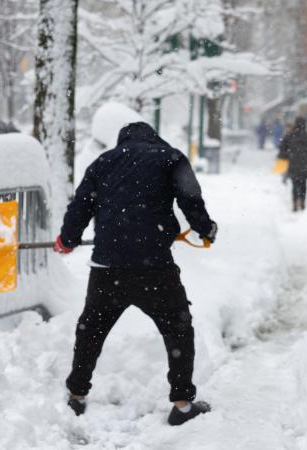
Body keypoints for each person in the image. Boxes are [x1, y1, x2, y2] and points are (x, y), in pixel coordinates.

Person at [53, 121, 217, 426]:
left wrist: (67, 239)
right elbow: (190, 197)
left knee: (91, 331)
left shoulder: (103, 162)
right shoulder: (170, 157)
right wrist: (206, 228)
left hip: (107, 268)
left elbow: (80, 206)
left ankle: (76, 396)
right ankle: (182, 404)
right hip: (154, 268)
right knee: (177, 329)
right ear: (153, 137)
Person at [278, 117, 307, 211]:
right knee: (304, 184)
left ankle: (295, 203)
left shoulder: (290, 136)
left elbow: (282, 149)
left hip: (293, 164)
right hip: (305, 165)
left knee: (295, 184)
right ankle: (303, 202)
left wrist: (287, 156)